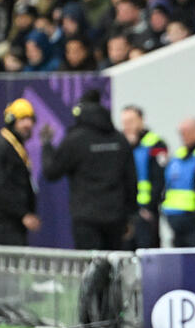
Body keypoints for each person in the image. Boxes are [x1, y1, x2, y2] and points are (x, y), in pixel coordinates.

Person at [41, 90, 137, 250]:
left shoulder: (75, 140)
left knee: (90, 267)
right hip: (115, 217)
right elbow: (131, 180)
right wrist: (130, 216)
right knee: (113, 266)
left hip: (86, 218)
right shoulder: (119, 139)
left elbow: (51, 172)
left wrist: (47, 145)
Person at [0, 98, 41, 246]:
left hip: (14, 220)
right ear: (11, 120)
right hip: (5, 221)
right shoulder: (1, 147)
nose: (28, 124)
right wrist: (23, 214)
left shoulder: (16, 146)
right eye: (23, 119)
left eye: (30, 119)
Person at [120, 105, 168, 249]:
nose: (127, 126)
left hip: (146, 211)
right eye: (124, 122)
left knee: (147, 253)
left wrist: (149, 207)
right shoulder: (121, 144)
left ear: (141, 120)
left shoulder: (155, 144)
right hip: (126, 212)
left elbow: (159, 179)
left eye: (131, 121)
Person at [162, 117, 195, 247]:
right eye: (181, 132)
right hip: (174, 218)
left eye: (187, 132)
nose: (183, 136)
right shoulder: (178, 155)